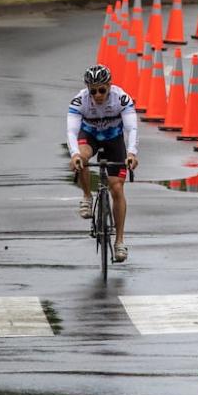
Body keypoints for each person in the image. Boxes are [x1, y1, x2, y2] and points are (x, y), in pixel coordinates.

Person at [67, 64, 139, 262]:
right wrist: (74, 155)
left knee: (116, 188)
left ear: (109, 86)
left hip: (114, 139)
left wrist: (132, 153)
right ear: (87, 90)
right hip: (89, 136)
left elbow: (132, 128)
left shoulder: (121, 98)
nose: (97, 95)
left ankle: (119, 241)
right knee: (81, 157)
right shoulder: (79, 101)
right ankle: (86, 196)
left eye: (102, 90)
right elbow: (72, 132)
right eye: (93, 91)